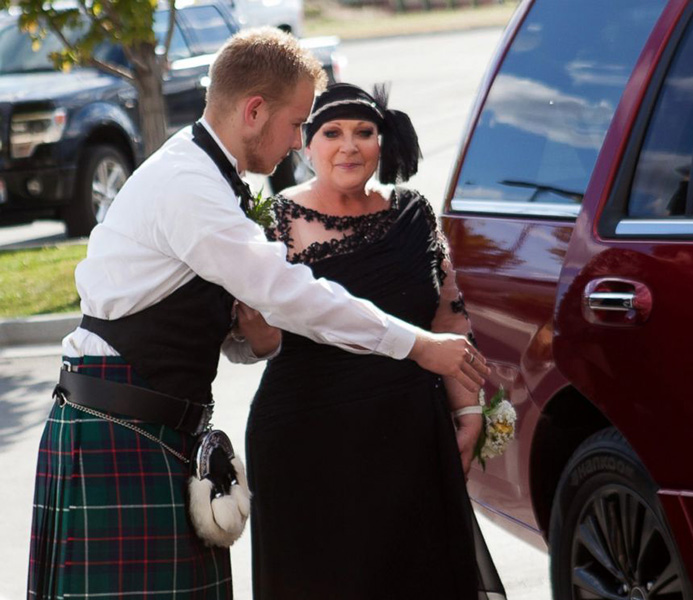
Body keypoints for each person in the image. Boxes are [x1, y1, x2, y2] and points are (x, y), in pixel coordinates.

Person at [26, 30, 488, 599]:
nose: (300, 142)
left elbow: (242, 323)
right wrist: (418, 345)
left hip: (153, 427)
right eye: (299, 124)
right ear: (253, 111)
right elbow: (291, 292)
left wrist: (253, 340)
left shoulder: (210, 177)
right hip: (121, 429)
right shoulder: (189, 186)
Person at [239, 82, 506, 600]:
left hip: (409, 435)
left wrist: (469, 415)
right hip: (307, 442)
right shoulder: (275, 223)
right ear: (305, 143)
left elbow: (448, 318)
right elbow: (263, 338)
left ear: (383, 141)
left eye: (364, 132)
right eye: (332, 132)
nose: (349, 146)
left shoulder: (412, 213)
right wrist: (253, 328)